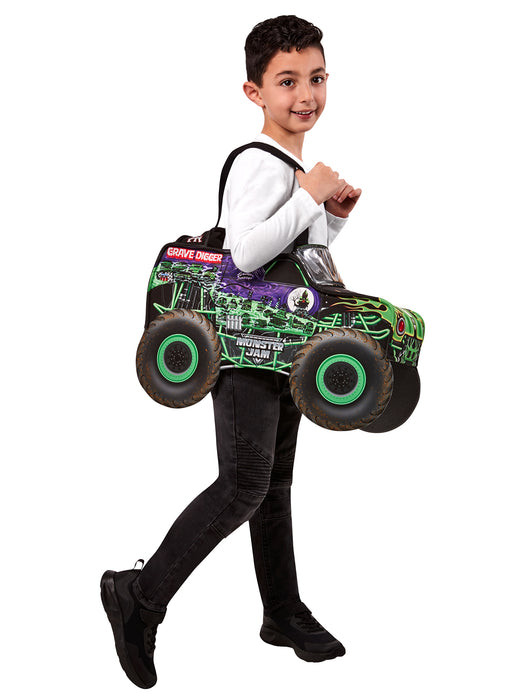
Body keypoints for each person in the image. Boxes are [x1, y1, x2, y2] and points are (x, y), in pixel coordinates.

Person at [100, 15, 362, 688]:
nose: (305, 95)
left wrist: (331, 217)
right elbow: (245, 255)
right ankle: (140, 596)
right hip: (245, 348)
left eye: (316, 78)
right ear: (255, 92)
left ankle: (281, 611)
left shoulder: (293, 168)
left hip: (280, 345)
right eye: (287, 81)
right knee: (244, 483)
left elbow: (293, 259)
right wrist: (308, 195)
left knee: (274, 483)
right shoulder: (258, 161)